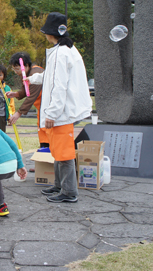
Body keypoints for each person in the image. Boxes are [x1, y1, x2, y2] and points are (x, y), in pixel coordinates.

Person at [27, 12, 92, 203]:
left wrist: (52, 112)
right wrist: (32, 78)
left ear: (50, 32)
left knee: (63, 154)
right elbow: (51, 77)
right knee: (57, 150)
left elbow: (59, 85)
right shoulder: (66, 50)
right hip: (63, 111)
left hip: (61, 112)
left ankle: (69, 191)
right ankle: (59, 185)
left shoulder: (60, 53)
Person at [6, 52, 49, 148]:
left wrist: (19, 113)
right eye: (14, 70)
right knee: (42, 130)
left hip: (48, 108)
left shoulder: (36, 73)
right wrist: (17, 94)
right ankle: (44, 148)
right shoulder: (27, 73)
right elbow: (26, 90)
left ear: (25, 65)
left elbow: (31, 96)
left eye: (17, 69)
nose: (16, 72)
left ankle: (47, 149)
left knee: (47, 131)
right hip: (42, 109)